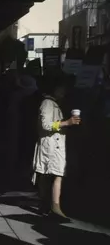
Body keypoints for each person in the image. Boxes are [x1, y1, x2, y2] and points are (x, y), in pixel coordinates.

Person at [33, 78, 80, 219]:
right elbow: (46, 125)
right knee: (54, 174)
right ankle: (54, 206)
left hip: (54, 144)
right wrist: (66, 122)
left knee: (51, 173)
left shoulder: (53, 104)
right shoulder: (47, 104)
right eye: (61, 89)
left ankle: (48, 204)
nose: (63, 92)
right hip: (50, 144)